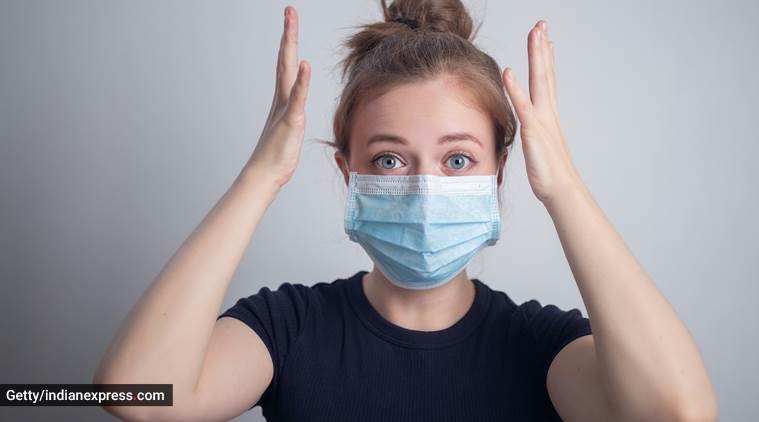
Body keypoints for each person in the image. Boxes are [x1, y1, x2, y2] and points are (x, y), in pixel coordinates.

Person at [93, 1, 718, 421]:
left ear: (500, 170)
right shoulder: (287, 327)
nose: (423, 191)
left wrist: (565, 188)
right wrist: (261, 175)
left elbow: (678, 413)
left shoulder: (544, 346)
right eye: (390, 160)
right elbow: (134, 396)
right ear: (348, 172)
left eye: (457, 161)